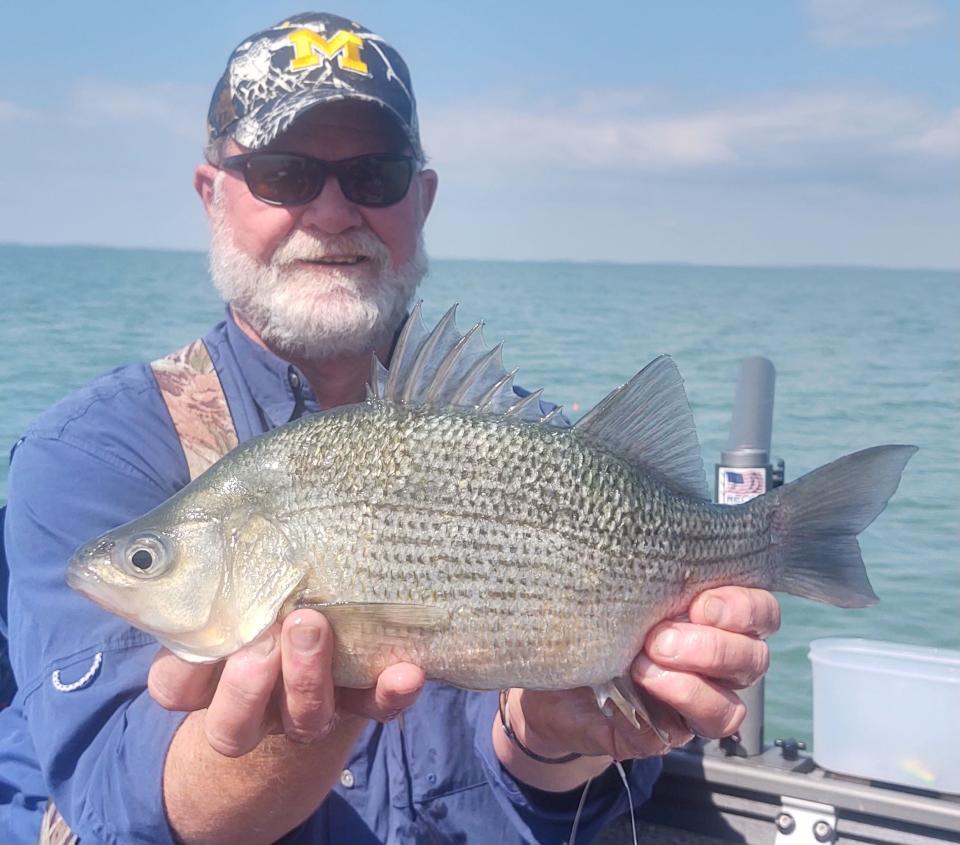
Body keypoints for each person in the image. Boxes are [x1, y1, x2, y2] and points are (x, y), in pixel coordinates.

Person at [0, 13, 780, 845]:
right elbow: (123, 810)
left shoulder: (537, 445)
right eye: (283, 172)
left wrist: (550, 738)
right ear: (212, 194)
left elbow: (563, 792)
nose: (332, 211)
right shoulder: (89, 456)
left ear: (423, 197)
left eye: (374, 173)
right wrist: (299, 733)